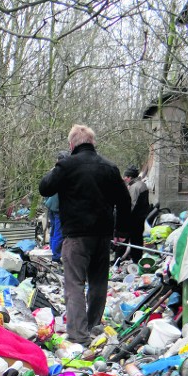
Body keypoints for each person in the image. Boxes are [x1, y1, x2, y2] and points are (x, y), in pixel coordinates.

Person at [39, 124, 131, 345]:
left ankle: (79, 336)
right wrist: (122, 231)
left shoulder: (67, 165)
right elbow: (125, 200)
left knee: (75, 285)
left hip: (76, 236)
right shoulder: (110, 167)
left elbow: (45, 188)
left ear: (71, 145)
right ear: (93, 143)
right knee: (99, 283)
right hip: (102, 236)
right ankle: (93, 325)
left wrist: (58, 167)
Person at [123, 165, 151, 262]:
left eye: (125, 177)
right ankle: (137, 258)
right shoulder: (142, 184)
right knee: (138, 239)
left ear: (130, 177)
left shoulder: (134, 187)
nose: (124, 179)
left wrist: (125, 218)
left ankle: (132, 259)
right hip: (141, 218)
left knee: (132, 239)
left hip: (134, 219)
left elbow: (132, 205)